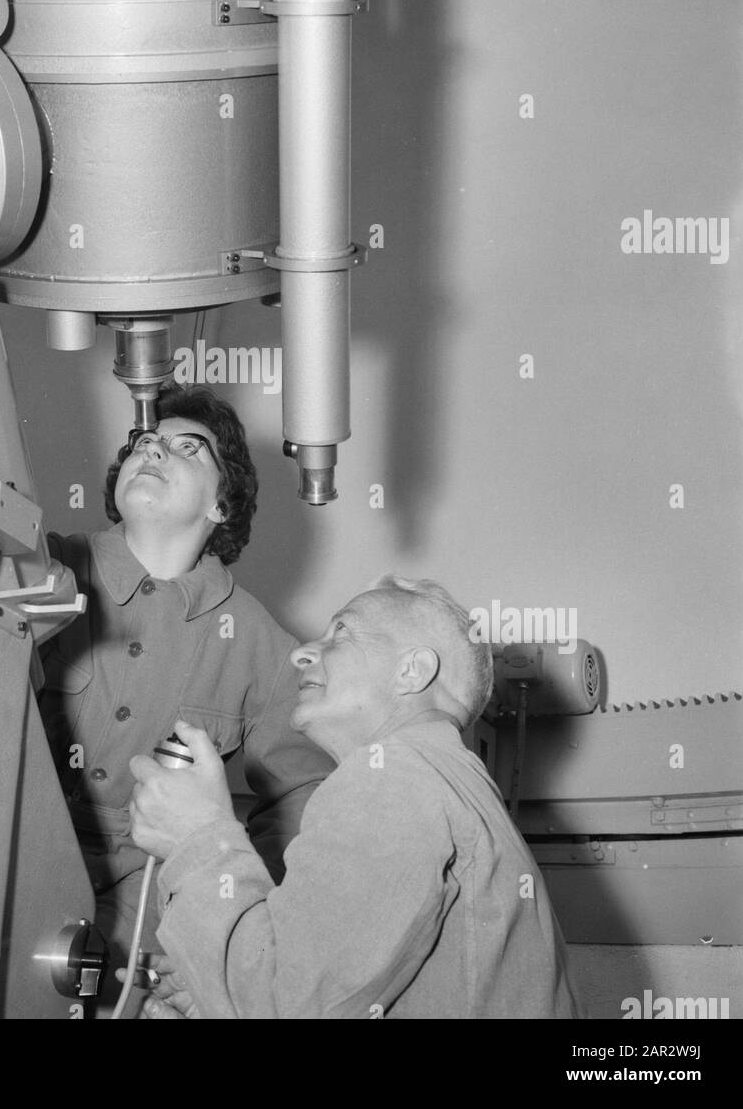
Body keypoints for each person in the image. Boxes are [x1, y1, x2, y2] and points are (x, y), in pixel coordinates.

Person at [128, 576, 583, 1019]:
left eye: (341, 631)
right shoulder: (449, 780)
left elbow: (283, 1003)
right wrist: (217, 996)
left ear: (412, 671)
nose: (302, 653)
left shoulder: (396, 774)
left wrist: (198, 837)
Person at [37, 383, 331, 1011]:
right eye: (146, 442)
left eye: (186, 448)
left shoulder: (260, 644)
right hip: (13, 857)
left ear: (222, 506)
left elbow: (302, 805)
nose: (154, 451)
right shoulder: (45, 565)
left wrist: (215, 926)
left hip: (143, 912)